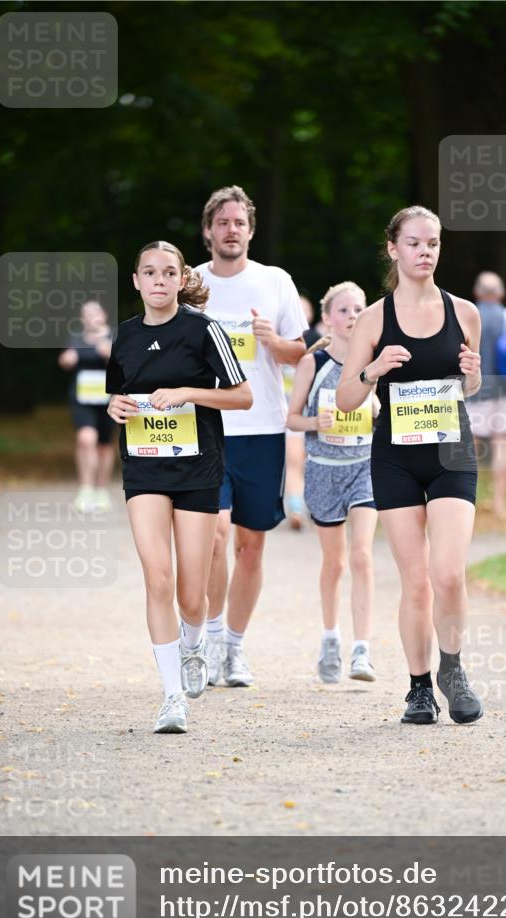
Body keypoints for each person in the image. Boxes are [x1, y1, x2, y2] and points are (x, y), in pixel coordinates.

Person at [336, 205, 483, 726]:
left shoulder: (465, 313)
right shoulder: (374, 319)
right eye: (415, 243)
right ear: (393, 249)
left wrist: (473, 372)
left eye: (433, 243)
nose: (425, 252)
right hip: (396, 458)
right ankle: (419, 688)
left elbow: (470, 386)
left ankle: (452, 670)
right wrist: (372, 370)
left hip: (451, 453)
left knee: (449, 573)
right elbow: (346, 399)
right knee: (416, 580)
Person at [106, 241, 252, 734]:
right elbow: (118, 396)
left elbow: (244, 396)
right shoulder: (125, 336)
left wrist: (189, 392)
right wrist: (114, 407)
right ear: (136, 281)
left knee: (192, 596)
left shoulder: (203, 329)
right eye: (150, 272)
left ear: (181, 278)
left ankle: (194, 644)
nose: (159, 280)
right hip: (144, 469)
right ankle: (172, 697)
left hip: (197, 471)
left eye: (169, 272)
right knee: (158, 579)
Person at [194, 185, 307, 687]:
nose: (231, 230)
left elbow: (299, 353)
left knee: (250, 546)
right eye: (222, 222)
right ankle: (212, 637)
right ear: (208, 231)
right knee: (214, 538)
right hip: (209, 428)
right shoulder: (191, 284)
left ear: (251, 230)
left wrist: (273, 340)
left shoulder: (274, 281)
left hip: (262, 429)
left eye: (239, 222)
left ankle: (235, 648)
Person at [287, 281, 378, 682]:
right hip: (324, 471)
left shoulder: (373, 361)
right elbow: (291, 419)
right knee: (335, 562)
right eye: (343, 310)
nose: (351, 316)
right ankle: (330, 638)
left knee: (362, 556)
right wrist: (314, 422)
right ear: (327, 318)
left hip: (364, 467)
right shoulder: (314, 362)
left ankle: (362, 651)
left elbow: (384, 410)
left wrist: (376, 407)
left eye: (358, 309)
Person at [465, 271, 506, 519]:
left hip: (474, 391)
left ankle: (468, 502)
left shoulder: (466, 316)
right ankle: (500, 504)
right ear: (501, 293)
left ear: (477, 292)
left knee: (470, 449)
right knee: (502, 444)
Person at [58, 300, 115, 513]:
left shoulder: (114, 336)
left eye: (95, 312)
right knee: (86, 438)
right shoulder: (76, 338)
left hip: (108, 399)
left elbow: (125, 363)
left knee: (104, 445)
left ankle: (101, 490)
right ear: (82, 319)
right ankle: (86, 489)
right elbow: (64, 361)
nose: (92, 317)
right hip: (82, 398)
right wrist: (67, 359)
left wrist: (109, 353)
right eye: (87, 314)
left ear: (103, 315)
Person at [284, 295, 326, 530]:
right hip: (287, 413)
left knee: (311, 463)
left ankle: (314, 504)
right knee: (294, 462)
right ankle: (296, 508)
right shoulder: (277, 341)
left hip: (316, 414)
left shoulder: (321, 344)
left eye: (304, 309)